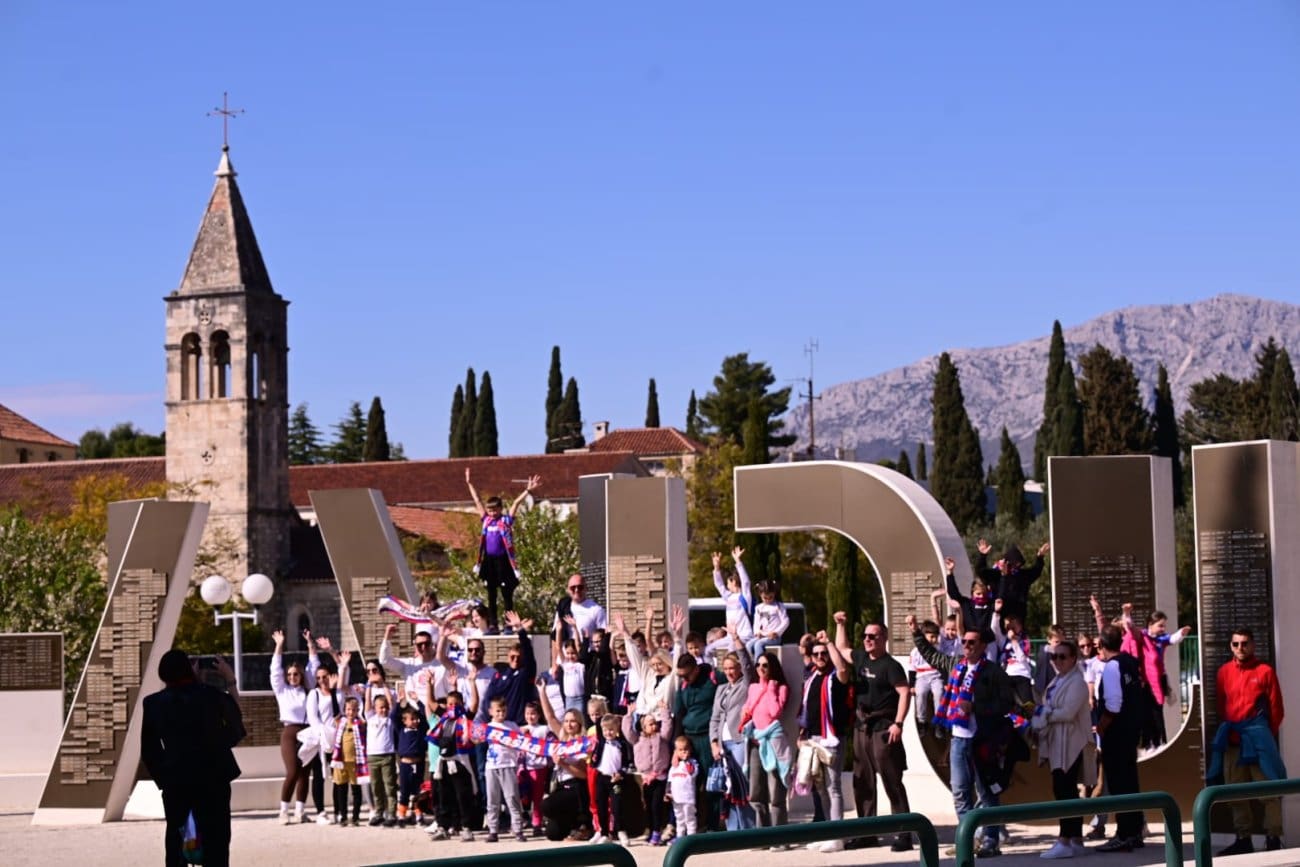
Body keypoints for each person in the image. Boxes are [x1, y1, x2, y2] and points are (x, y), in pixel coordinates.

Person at [909, 611, 1017, 859]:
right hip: (958, 739)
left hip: (983, 741)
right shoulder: (955, 664)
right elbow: (932, 655)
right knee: (959, 791)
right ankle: (968, 838)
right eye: (964, 642)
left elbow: (1006, 705)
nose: (966, 646)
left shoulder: (993, 672)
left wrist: (976, 706)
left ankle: (990, 840)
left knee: (986, 792)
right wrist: (916, 632)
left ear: (982, 646)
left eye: (972, 643)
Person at [141, 650, 244, 867]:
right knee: (216, 843)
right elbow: (236, 728)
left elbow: (150, 750)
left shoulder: (153, 704)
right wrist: (229, 679)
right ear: (190, 669)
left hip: (176, 782)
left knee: (176, 843)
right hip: (213, 780)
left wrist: (164, 779)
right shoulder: (211, 696)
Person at [1208, 627, 1286, 856]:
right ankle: (1243, 839)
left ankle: (1273, 838)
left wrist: (1261, 734)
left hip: (1258, 742)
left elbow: (1276, 709)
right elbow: (1222, 705)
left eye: (1244, 643)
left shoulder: (1265, 671)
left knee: (1268, 791)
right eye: (1235, 644)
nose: (1240, 648)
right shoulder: (1223, 672)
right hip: (1233, 742)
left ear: (1253, 645)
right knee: (1235, 792)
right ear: (1230, 646)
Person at [838, 613, 912, 852]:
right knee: (863, 784)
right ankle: (867, 833)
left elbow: (904, 692)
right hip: (862, 729)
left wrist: (898, 723)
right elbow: (842, 648)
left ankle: (904, 833)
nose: (867, 640)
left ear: (884, 639)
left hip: (883, 730)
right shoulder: (861, 658)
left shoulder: (891, 666)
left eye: (873, 636)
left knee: (892, 782)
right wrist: (840, 624)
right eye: (865, 636)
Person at [1032, 639, 1093, 859]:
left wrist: (1046, 715)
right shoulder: (1057, 680)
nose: (1057, 661)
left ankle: (1065, 838)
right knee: (1063, 789)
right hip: (1057, 740)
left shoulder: (1077, 682)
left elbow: (1068, 712)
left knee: (1065, 789)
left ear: (1073, 658)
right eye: (1054, 657)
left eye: (1062, 656)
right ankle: (1074, 837)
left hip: (1071, 741)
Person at [798, 629, 853, 853]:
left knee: (833, 787)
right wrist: (801, 734)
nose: (821, 657)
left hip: (831, 739)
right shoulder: (811, 678)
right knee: (819, 788)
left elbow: (842, 668)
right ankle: (827, 831)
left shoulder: (835, 678)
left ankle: (838, 836)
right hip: (812, 739)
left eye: (824, 654)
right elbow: (806, 709)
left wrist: (829, 643)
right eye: (817, 653)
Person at [465, 467, 540, 631]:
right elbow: (477, 500)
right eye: (490, 510)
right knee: (491, 595)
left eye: (495, 510)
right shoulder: (485, 520)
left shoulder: (506, 521)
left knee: (507, 595)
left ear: (500, 509)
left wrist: (527, 490)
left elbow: (516, 503)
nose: (492, 513)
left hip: (503, 561)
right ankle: (493, 624)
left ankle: (509, 624)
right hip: (489, 561)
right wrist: (470, 483)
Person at [1094, 624, 1145, 853]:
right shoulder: (1130, 663)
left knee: (1119, 784)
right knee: (1130, 783)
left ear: (1103, 646)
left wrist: (1101, 728)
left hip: (1116, 735)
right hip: (1130, 732)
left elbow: (1113, 705)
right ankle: (1134, 832)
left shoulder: (1112, 667)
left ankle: (1125, 834)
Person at [1120, 603, 1191, 748]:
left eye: (1164, 626)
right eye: (1160, 626)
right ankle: (1149, 744)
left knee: (1157, 715)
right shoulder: (1143, 636)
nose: (1163, 629)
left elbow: (1172, 639)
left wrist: (1182, 633)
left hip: (1158, 683)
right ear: (1150, 625)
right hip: (1145, 685)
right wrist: (1126, 614)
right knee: (1148, 717)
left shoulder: (1161, 639)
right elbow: (1131, 628)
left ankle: (1159, 743)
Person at [270, 628, 321, 824]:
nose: (292, 677)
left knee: (304, 773)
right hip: (290, 732)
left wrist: (310, 643)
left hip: (307, 732)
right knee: (292, 771)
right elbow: (275, 670)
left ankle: (300, 811)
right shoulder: (282, 690)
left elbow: (314, 666)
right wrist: (279, 646)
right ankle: (283, 810)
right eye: (290, 674)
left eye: (296, 674)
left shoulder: (308, 690)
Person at [709, 627, 757, 830]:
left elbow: (747, 665)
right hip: (723, 744)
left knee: (741, 785)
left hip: (739, 741)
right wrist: (713, 742)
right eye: (726, 668)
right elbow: (715, 718)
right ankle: (732, 829)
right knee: (728, 788)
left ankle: (747, 828)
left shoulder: (745, 684)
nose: (729, 672)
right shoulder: (721, 688)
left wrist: (737, 640)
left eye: (732, 668)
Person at [741, 649, 792, 835]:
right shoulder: (753, 687)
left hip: (774, 745)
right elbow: (748, 709)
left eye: (765, 665)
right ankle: (762, 835)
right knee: (756, 792)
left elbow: (775, 712)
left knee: (776, 793)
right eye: (758, 665)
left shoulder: (781, 688)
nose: (761, 668)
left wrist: (771, 688)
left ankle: (780, 836)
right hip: (755, 742)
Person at [425, 675, 480, 842]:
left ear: (461, 705)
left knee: (463, 796)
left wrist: (471, 683)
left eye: (456, 704)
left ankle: (466, 828)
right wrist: (430, 684)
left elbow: (475, 704)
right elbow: (431, 702)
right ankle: (443, 826)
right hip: (444, 762)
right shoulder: (444, 717)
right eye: (450, 704)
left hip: (461, 762)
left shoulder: (465, 718)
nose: (453, 707)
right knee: (443, 795)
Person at [537, 694, 594, 841]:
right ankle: (571, 823)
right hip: (560, 786)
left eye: (573, 721)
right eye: (566, 721)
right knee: (553, 835)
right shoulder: (563, 738)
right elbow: (550, 717)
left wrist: (563, 763)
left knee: (546, 805)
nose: (569, 724)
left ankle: (582, 824)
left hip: (576, 787)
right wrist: (542, 691)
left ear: (579, 723)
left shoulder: (582, 743)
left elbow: (583, 774)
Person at [672, 649, 718, 832]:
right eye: (681, 676)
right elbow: (679, 715)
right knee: (688, 784)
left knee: (711, 782)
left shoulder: (712, 680)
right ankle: (693, 825)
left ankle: (712, 825)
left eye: (686, 675)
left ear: (695, 669)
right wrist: (677, 748)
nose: (684, 679)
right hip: (688, 739)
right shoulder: (683, 687)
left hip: (706, 737)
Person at [479, 610, 539, 724]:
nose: (515, 660)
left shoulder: (525, 673)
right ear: (507, 657)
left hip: (519, 725)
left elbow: (528, 652)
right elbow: (489, 698)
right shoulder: (499, 675)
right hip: (499, 724)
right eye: (512, 657)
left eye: (519, 657)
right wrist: (490, 718)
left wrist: (520, 630)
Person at [481, 695, 527, 843]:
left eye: (503, 711)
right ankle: (493, 830)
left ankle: (518, 829)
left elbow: (522, 742)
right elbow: (476, 739)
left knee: (512, 798)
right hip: (492, 766)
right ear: (491, 711)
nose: (501, 714)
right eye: (498, 711)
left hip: (508, 765)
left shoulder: (512, 725)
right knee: (492, 800)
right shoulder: (487, 727)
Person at [624, 705, 672, 845]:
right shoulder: (638, 740)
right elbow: (627, 732)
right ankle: (650, 829)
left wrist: (664, 711)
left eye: (655, 723)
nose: (654, 726)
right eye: (650, 724)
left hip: (659, 776)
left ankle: (657, 830)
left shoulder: (661, 738)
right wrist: (629, 715)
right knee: (648, 806)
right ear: (643, 727)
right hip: (645, 778)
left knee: (657, 805)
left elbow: (668, 727)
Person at [975, 538, 1049, 626]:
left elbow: (1036, 571)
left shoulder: (1022, 576)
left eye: (1019, 565)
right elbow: (980, 571)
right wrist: (983, 556)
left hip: (1017, 617)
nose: (1016, 568)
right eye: (1014, 565)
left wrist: (1040, 557)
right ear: (1007, 563)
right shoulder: (996, 575)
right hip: (998, 617)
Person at [589, 713, 634, 846]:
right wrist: (604, 715)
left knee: (617, 806)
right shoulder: (601, 742)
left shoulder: (622, 744)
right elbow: (598, 723)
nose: (608, 733)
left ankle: (620, 831)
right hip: (602, 778)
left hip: (616, 779)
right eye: (605, 730)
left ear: (617, 729)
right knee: (601, 805)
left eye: (611, 729)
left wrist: (621, 773)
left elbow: (627, 764)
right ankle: (604, 833)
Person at [943, 557, 996, 656]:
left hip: (988, 644)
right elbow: (953, 593)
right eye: (978, 593)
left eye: (984, 594)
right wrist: (950, 572)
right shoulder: (966, 604)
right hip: (970, 643)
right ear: (972, 593)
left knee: (989, 670)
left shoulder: (991, 605)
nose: (981, 596)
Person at [328, 696, 367, 826]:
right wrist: (333, 691)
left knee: (356, 790)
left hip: (355, 762)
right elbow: (334, 710)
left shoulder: (360, 724)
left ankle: (355, 816)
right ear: (345, 710)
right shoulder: (340, 723)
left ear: (357, 711)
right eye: (349, 709)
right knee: (341, 789)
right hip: (341, 761)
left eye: (354, 710)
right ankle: (343, 816)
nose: (351, 712)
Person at [365, 689, 400, 826]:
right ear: (375, 708)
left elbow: (391, 702)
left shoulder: (390, 719)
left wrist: (384, 684)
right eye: (381, 707)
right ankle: (379, 813)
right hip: (372, 756)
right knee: (376, 787)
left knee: (390, 786)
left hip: (387, 756)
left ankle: (391, 813)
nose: (383, 710)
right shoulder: (370, 718)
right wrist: (369, 684)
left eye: (385, 707)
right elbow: (367, 702)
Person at [708, 547, 754, 652]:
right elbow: (718, 585)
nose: (727, 585)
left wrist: (738, 561)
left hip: (744, 635)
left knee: (731, 651)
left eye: (728, 582)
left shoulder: (745, 596)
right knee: (709, 650)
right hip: (730, 636)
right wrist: (716, 567)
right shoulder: (728, 596)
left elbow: (746, 582)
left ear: (733, 581)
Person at [518, 702, 552, 837]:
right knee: (524, 795)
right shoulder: (521, 729)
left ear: (538, 715)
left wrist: (544, 753)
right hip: (524, 767)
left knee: (537, 797)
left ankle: (537, 823)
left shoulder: (544, 729)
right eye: (527, 714)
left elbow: (550, 745)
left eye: (533, 714)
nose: (530, 717)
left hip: (539, 766)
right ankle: (524, 818)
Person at [394, 694, 428, 825]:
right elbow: (394, 717)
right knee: (404, 791)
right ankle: (401, 815)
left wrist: (417, 701)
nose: (414, 721)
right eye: (411, 719)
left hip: (418, 764)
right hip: (405, 765)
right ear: (404, 721)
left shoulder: (420, 729)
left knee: (417, 792)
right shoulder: (401, 730)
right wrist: (398, 702)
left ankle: (418, 815)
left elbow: (424, 716)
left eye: (415, 719)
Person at [553, 573, 608, 650]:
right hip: (566, 658)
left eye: (580, 587)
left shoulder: (596, 610)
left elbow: (603, 638)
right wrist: (555, 661)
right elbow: (555, 637)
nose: (576, 590)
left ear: (586, 588)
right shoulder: (563, 608)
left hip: (587, 657)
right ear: (568, 590)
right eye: (573, 588)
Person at [910, 620, 944, 733]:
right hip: (921, 677)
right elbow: (912, 669)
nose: (934, 640)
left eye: (936, 637)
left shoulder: (938, 649)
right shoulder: (915, 651)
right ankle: (922, 721)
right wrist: (912, 685)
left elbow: (943, 666)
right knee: (920, 693)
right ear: (923, 636)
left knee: (939, 693)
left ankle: (939, 722)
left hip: (936, 676)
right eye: (931, 636)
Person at [665, 736, 700, 841]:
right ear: (676, 751)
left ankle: (691, 839)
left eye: (686, 749)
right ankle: (680, 838)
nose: (683, 752)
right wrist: (667, 792)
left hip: (688, 798)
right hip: (676, 797)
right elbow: (670, 780)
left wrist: (687, 760)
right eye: (680, 750)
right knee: (679, 818)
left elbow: (693, 773)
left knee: (690, 818)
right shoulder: (674, 766)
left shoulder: (693, 763)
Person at [746, 580, 790, 659]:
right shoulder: (759, 607)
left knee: (758, 644)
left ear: (774, 594)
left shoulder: (779, 606)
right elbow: (756, 623)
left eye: (770, 597)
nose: (768, 600)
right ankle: (749, 664)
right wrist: (757, 632)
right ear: (760, 595)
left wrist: (776, 632)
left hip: (774, 637)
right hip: (762, 636)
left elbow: (786, 621)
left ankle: (758, 664)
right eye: (765, 598)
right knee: (748, 645)